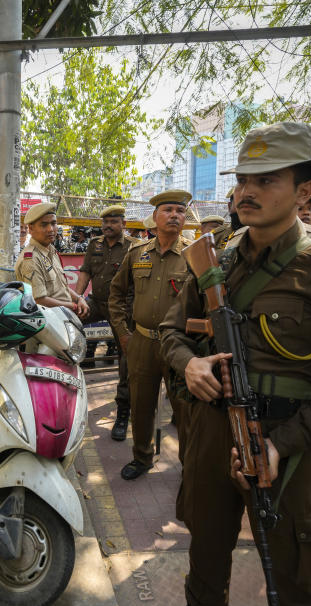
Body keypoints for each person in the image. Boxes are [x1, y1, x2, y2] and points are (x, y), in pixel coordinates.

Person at [150, 122, 311, 606]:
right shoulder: (217, 259)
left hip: (289, 441)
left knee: (295, 562)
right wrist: (189, 362)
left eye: (267, 179)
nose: (247, 191)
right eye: (243, 179)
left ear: (305, 192)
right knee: (207, 530)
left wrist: (283, 445)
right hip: (212, 428)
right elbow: (169, 330)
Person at [109, 190, 193, 480]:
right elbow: (116, 295)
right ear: (155, 218)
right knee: (141, 405)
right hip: (141, 342)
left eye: (180, 211)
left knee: (184, 410)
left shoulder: (195, 257)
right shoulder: (137, 254)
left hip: (179, 347)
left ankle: (189, 466)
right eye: (168, 210)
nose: (174, 215)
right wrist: (123, 334)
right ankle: (142, 457)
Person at [74, 205, 135, 439]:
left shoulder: (133, 246)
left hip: (122, 308)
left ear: (123, 223)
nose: (108, 226)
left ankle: (123, 411)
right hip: (96, 302)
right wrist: (78, 300)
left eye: (113, 221)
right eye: (105, 222)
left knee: (126, 358)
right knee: (67, 320)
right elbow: (85, 272)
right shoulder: (94, 245)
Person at [14, 202, 90, 317]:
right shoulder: (31, 259)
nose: (50, 229)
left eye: (53, 223)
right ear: (31, 229)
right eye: (44, 225)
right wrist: (74, 306)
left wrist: (79, 299)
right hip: (49, 323)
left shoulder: (50, 250)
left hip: (64, 317)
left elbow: (61, 287)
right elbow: (39, 301)